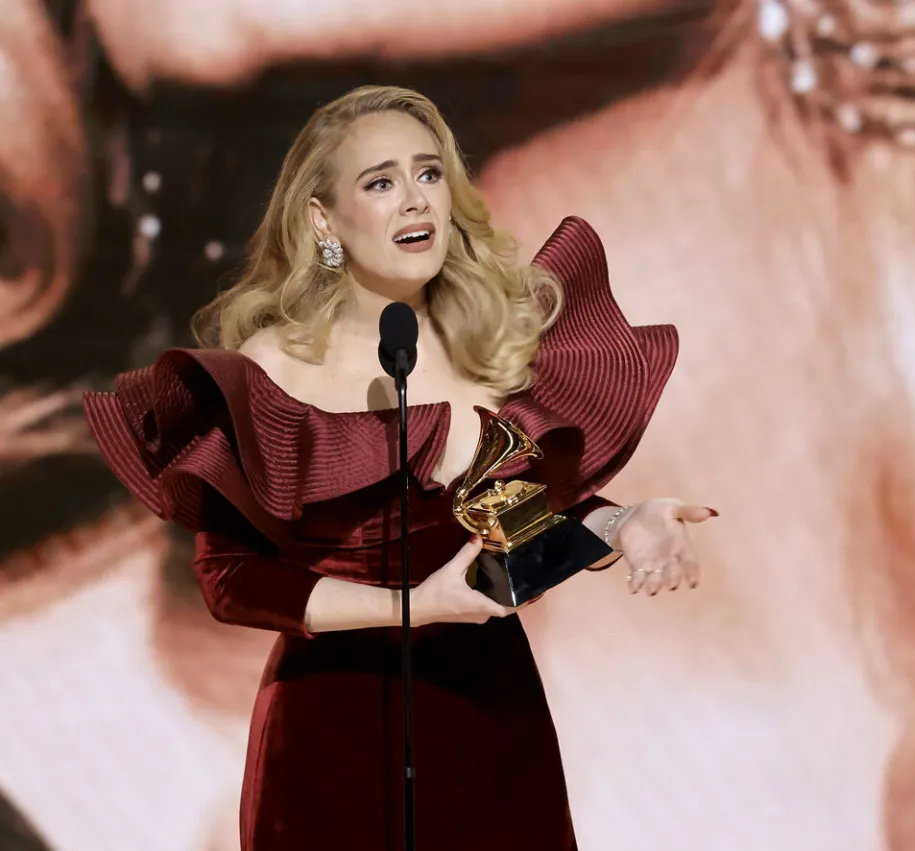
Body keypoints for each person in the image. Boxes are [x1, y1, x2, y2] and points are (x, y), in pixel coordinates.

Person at [82, 84, 716, 850]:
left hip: (491, 722)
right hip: (334, 734)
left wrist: (623, 521)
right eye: (380, 182)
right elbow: (230, 579)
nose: (415, 199)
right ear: (324, 220)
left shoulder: (491, 346)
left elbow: (523, 525)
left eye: (429, 173)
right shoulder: (273, 367)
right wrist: (412, 605)